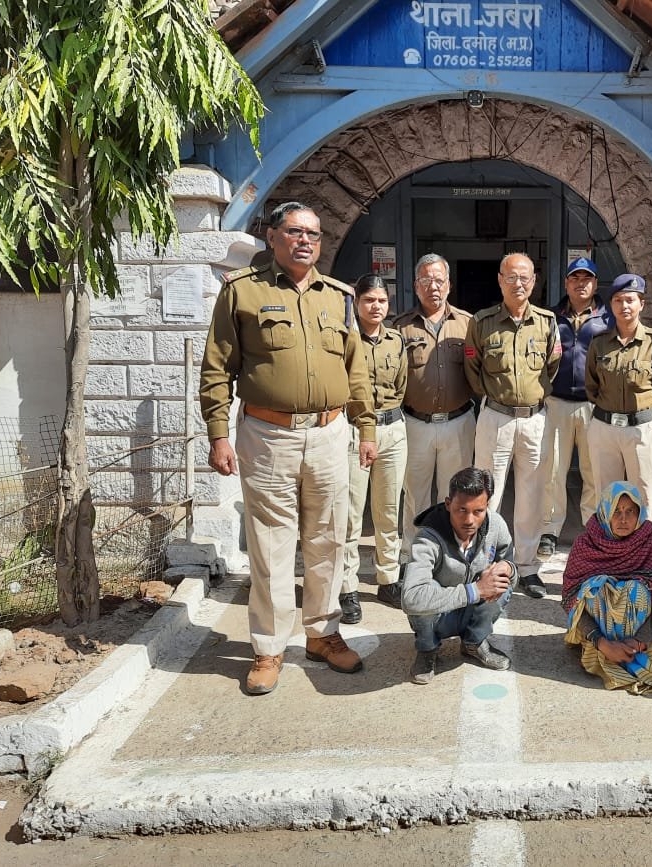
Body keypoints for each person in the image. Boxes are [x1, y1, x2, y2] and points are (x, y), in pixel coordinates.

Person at [201, 201, 376, 696]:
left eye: (313, 234)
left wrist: (365, 429)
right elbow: (217, 366)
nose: (305, 241)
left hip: (329, 434)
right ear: (273, 236)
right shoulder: (242, 291)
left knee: (328, 539)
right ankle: (269, 647)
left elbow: (355, 368)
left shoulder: (339, 297)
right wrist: (218, 433)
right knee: (271, 545)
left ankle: (323, 634)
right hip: (267, 435)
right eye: (295, 232)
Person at [464, 253, 561, 599]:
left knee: (533, 495)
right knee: (487, 494)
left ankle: (528, 567)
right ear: (500, 280)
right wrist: (496, 398)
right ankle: (484, 564)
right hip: (496, 417)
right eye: (511, 277)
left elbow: (552, 366)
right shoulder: (482, 322)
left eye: (524, 277)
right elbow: (472, 369)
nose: (518, 284)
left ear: (533, 281)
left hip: (534, 419)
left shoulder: (547, 322)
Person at [394, 253, 476, 606]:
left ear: (449, 285)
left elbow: (479, 371)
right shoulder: (401, 327)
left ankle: (450, 561)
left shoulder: (468, 325)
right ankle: (410, 559)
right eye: (426, 280)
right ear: (416, 286)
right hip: (416, 423)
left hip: (459, 422)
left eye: (439, 280)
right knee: (414, 495)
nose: (433, 287)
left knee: (454, 496)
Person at [562, 481, 652, 696]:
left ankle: (628, 653)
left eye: (630, 511)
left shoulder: (649, 543)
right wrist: (602, 643)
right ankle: (605, 652)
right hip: (597, 637)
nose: (623, 519)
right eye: (616, 511)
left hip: (638, 638)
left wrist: (639, 641)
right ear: (605, 513)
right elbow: (572, 602)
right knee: (596, 589)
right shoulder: (586, 544)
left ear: (639, 514)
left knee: (637, 591)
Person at [401, 467, 516, 684]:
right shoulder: (427, 538)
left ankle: (474, 642)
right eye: (461, 510)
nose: (469, 520)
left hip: (472, 610)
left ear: (487, 506)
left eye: (478, 511)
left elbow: (510, 561)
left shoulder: (496, 524)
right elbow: (411, 598)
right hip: (439, 616)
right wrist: (475, 590)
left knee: (501, 583)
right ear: (448, 504)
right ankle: (427, 648)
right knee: (426, 592)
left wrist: (507, 569)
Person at [339, 274, 408, 625]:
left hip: (393, 428)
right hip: (353, 430)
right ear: (357, 303)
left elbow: (401, 385)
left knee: (388, 510)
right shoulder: (344, 339)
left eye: (381, 300)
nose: (376, 306)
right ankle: (347, 586)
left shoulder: (396, 340)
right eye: (369, 300)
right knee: (351, 513)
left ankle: (388, 578)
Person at [536, 257, 614, 558]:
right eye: (575, 279)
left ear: (595, 283)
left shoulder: (608, 317)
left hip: (593, 405)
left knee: (593, 470)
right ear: (566, 283)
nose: (581, 284)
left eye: (586, 279)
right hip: (557, 402)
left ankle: (593, 527)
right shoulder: (551, 317)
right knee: (552, 469)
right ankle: (549, 529)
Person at [584, 273, 652, 520]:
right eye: (618, 300)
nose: (624, 306)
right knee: (606, 494)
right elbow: (591, 385)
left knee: (644, 493)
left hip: (641, 428)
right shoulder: (599, 343)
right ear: (611, 305)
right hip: (605, 427)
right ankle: (608, 543)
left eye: (630, 300)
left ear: (641, 304)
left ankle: (644, 543)